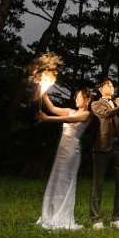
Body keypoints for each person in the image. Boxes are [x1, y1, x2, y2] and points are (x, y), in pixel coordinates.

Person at [36, 87, 93, 230]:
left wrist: (47, 118)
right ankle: (51, 213)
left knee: (66, 181)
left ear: (88, 99)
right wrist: (44, 95)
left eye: (80, 97)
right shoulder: (69, 109)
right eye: (76, 97)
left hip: (72, 149)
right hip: (62, 149)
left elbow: (69, 119)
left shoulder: (87, 114)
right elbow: (52, 108)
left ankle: (63, 216)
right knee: (56, 181)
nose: (77, 99)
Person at [89, 77, 119, 229]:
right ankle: (96, 219)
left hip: (118, 149)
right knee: (98, 184)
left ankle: (116, 219)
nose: (111, 87)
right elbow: (108, 114)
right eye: (107, 85)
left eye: (112, 85)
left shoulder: (118, 101)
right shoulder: (96, 104)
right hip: (102, 148)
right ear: (101, 89)